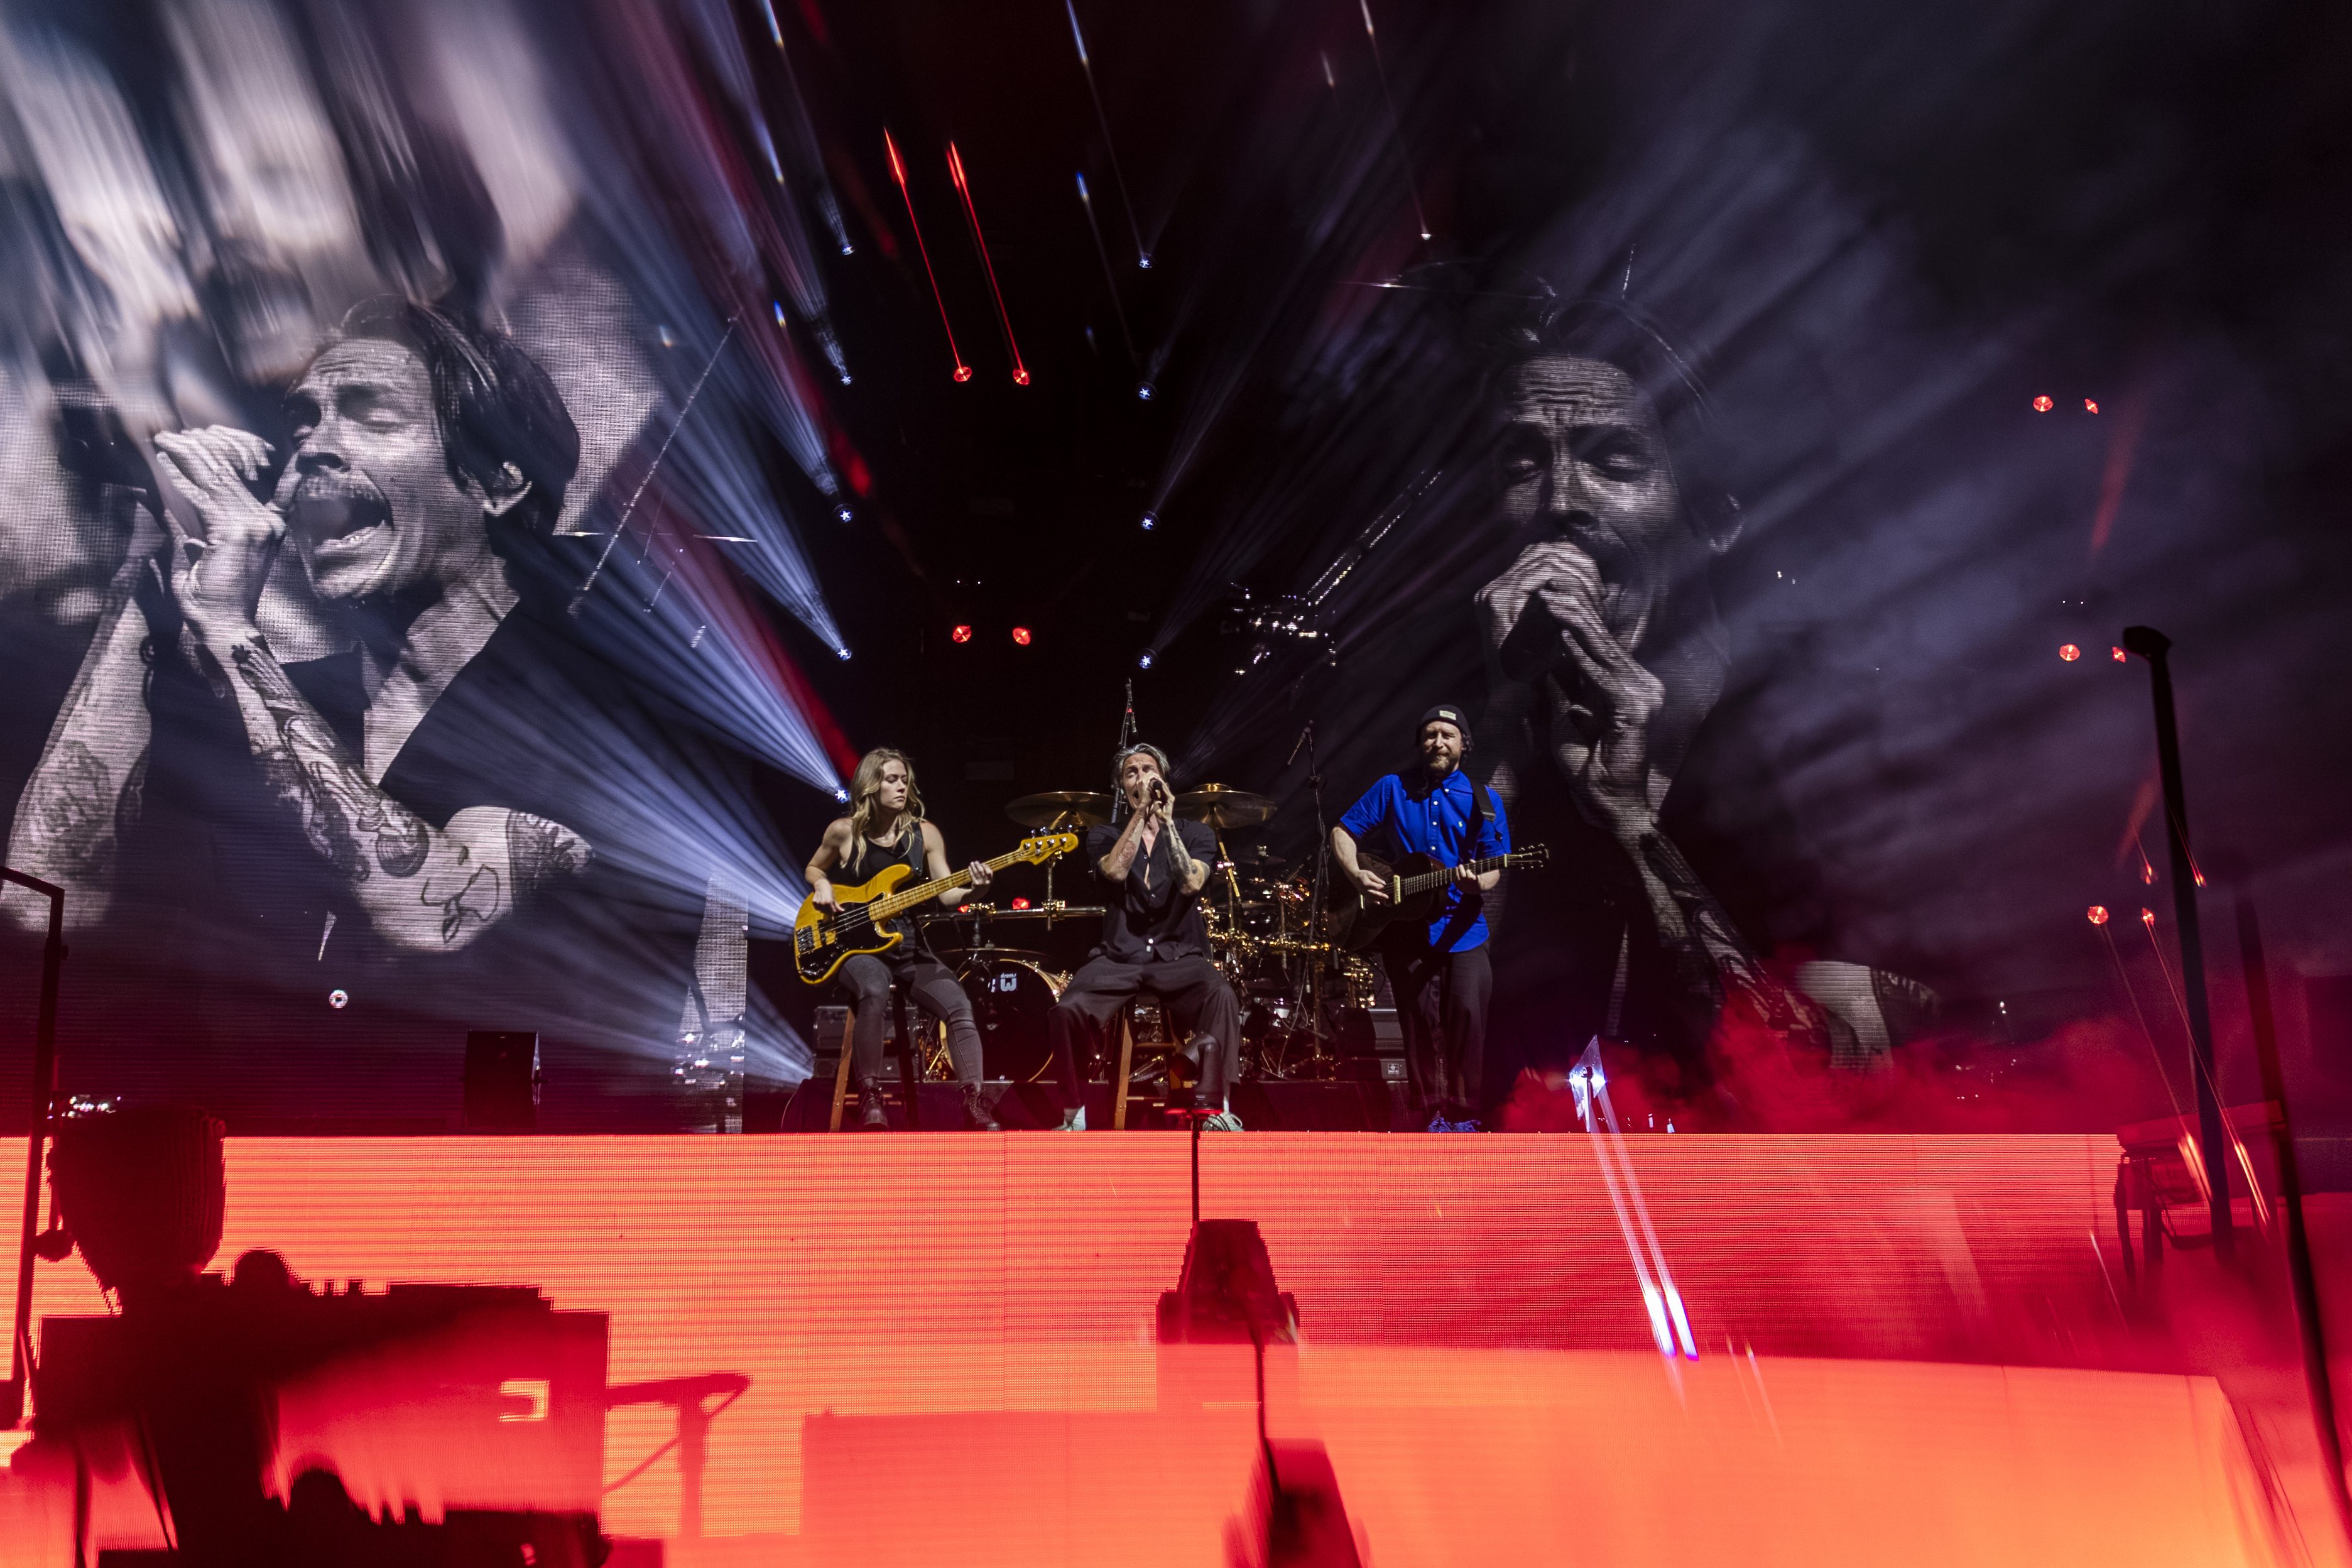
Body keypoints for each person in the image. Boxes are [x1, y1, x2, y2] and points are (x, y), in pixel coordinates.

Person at [1469, 298, 1929, 1124]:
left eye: (1613, 461)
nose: (1560, 500)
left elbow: (1813, 1080)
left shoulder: (1840, 748)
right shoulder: (1509, 765)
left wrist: (1628, 822)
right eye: (1520, 464)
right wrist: (1503, 731)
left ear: (1716, 519)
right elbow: (1445, 1065)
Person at [1045, 744, 1244, 1131]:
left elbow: (1191, 883)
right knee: (1067, 1009)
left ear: (1163, 779)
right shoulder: (1104, 834)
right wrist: (1140, 815)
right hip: (1119, 957)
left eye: (1148, 770)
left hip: (1179, 957)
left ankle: (1216, 1109)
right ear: (1123, 786)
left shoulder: (1196, 833)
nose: (1141, 778)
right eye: (1131, 773)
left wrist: (1166, 823)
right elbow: (1115, 873)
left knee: (1221, 995)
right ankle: (1074, 1114)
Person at [1332, 705, 1510, 1131]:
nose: (1439, 742)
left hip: (1463, 930)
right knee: (1417, 1020)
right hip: (1406, 927)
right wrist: (1358, 876)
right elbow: (1342, 832)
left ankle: (1465, 1115)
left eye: (1449, 735)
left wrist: (1475, 885)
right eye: (1430, 734)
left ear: (1464, 745)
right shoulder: (1393, 788)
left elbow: (1493, 867)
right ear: (1420, 743)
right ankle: (1431, 1114)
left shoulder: (1485, 800)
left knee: (1467, 1014)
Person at [803, 748, 1001, 1131]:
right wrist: (823, 884)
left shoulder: (924, 834)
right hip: (854, 946)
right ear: (871, 785)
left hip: (907, 944)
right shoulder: (844, 832)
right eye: (892, 779)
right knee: (874, 989)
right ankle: (872, 1098)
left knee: (958, 1004)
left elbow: (947, 895)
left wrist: (975, 892)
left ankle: (973, 1101)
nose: (901, 786)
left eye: (904, 779)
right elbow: (813, 866)